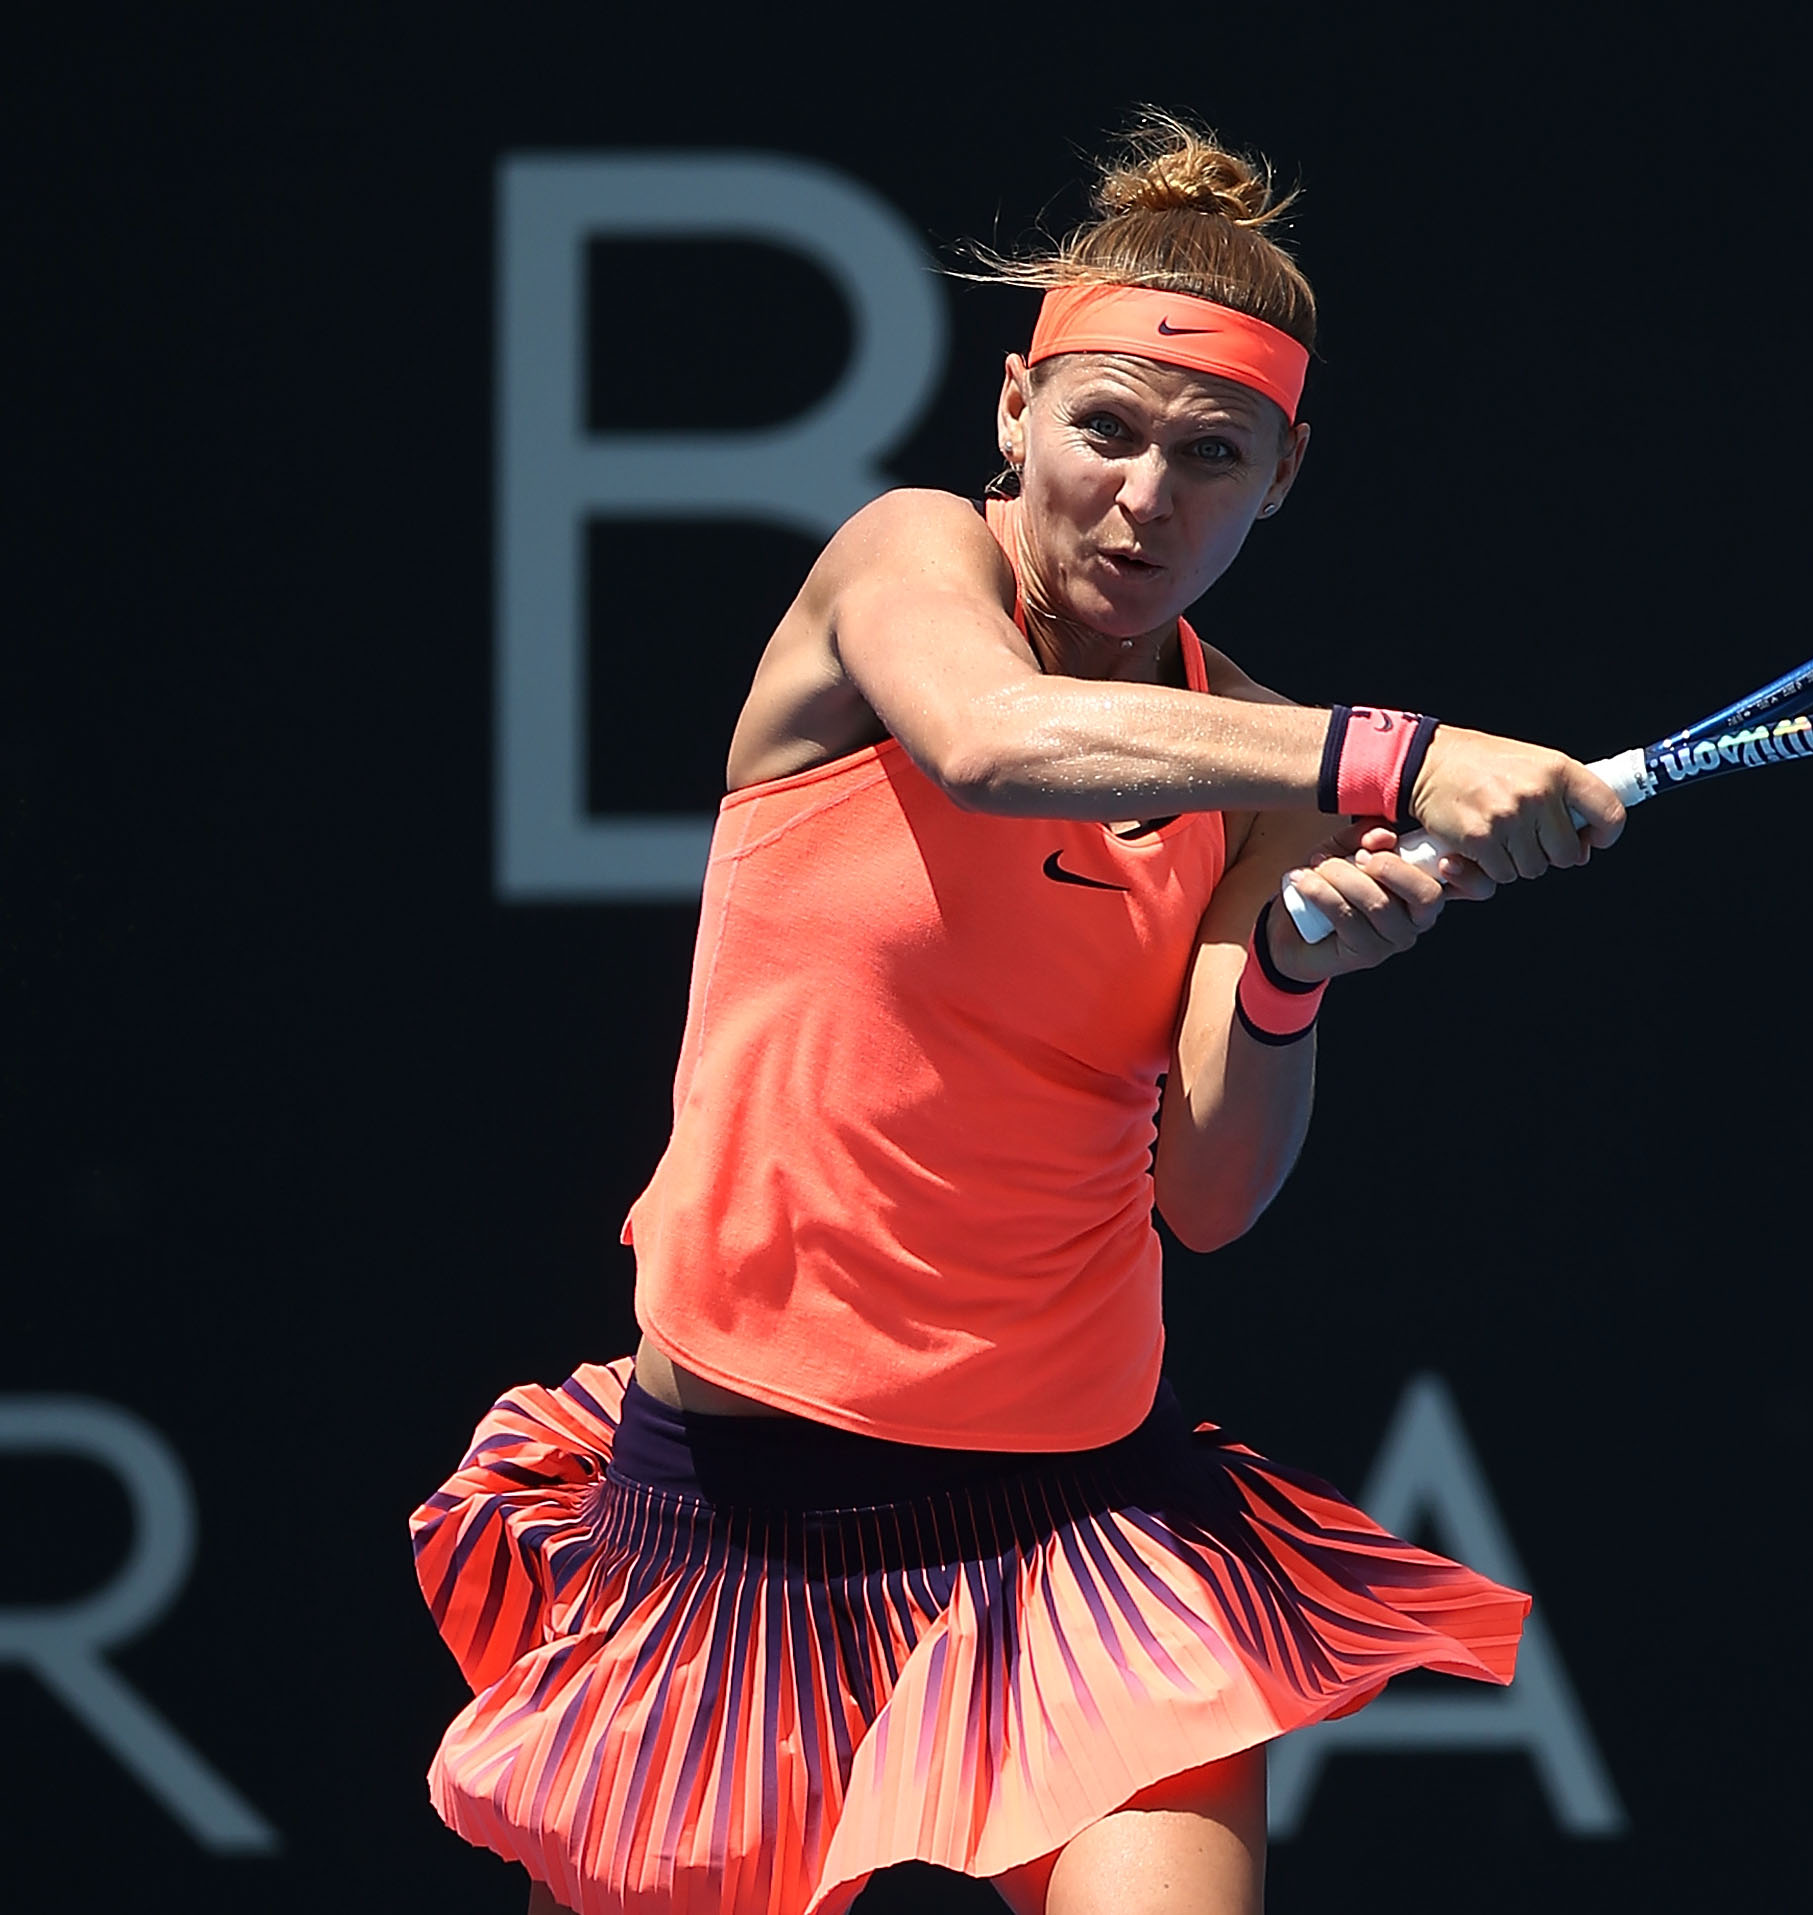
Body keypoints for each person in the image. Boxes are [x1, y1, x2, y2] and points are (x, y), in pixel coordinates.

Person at [411, 115, 1626, 1915]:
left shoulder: (1262, 777)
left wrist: (1287, 972)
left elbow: (1207, 1197)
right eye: (1106, 433)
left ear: (1284, 479)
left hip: (1078, 1535)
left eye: (1213, 458)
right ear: (1013, 412)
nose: (1145, 500)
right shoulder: (898, 569)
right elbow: (990, 746)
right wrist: (1407, 754)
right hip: (734, 1529)